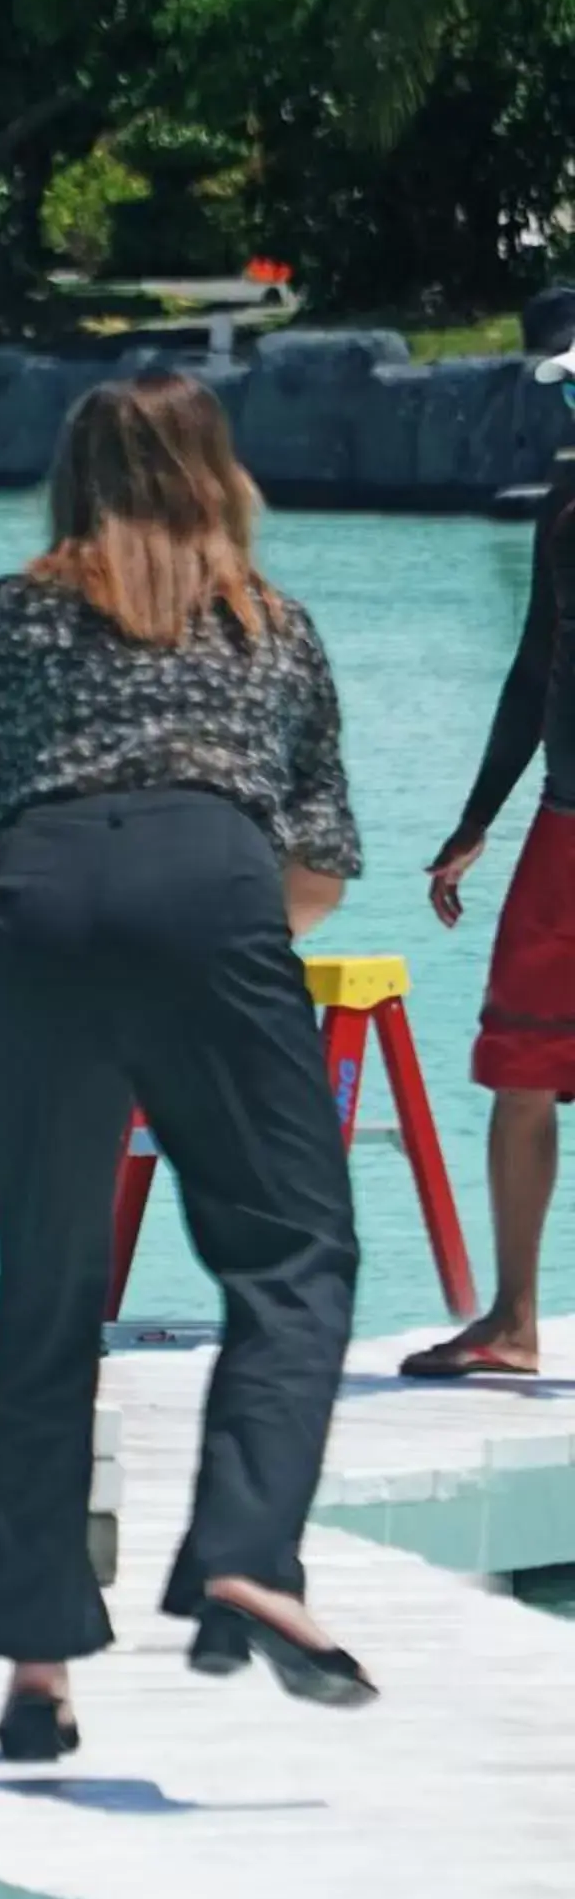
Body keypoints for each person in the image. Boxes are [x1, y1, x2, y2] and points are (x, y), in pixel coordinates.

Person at [0, 375, 375, 1762]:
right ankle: (246, 1556)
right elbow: (318, 873)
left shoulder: (13, 612)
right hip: (213, 890)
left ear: (72, 479)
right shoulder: (273, 630)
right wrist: (215, 944)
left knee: (46, 1290)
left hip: (35, 902)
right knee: (292, 1256)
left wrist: (2, 941)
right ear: (223, 477)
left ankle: (40, 1666)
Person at [402, 343, 575, 1381]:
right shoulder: (564, 494)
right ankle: (512, 1322)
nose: (565, 402)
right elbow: (533, 664)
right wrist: (476, 819)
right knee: (519, 1066)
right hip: (565, 816)